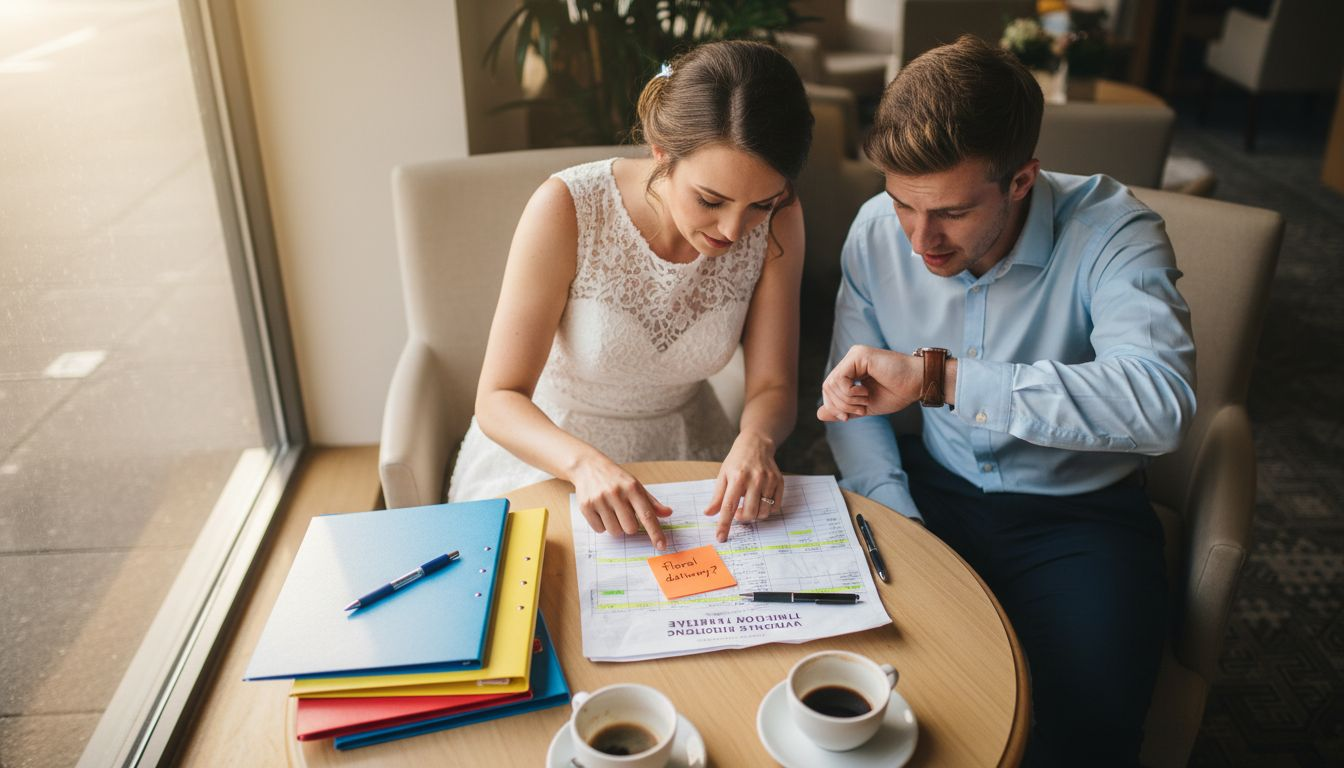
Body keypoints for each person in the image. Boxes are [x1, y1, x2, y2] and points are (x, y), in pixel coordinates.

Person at [818, 36, 1196, 766]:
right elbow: (854, 397)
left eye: (952, 213)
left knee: (1087, 732)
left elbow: (1162, 402)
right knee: (876, 703)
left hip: (1081, 517)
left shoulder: (1116, 233)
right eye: (903, 204)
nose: (920, 239)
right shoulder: (875, 231)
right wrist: (896, 518)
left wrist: (940, 378)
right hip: (929, 492)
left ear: (1022, 179)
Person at [449, 40, 813, 551]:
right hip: (554, 456)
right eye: (710, 200)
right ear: (661, 151)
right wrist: (585, 466)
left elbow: (774, 383)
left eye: (760, 204)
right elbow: (497, 399)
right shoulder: (567, 206)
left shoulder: (781, 220)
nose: (734, 230)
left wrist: (757, 440)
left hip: (689, 452)